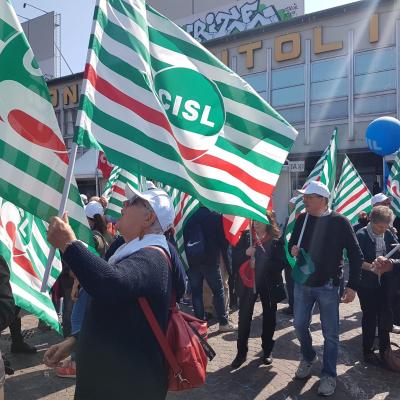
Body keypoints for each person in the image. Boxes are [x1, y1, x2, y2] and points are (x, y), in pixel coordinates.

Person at [45, 186, 185, 400]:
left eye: (132, 203)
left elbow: (111, 284)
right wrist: (75, 340)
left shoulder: (153, 258)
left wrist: (69, 245)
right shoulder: (127, 248)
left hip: (127, 387)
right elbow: (118, 318)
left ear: (148, 218)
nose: (123, 207)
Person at [288, 181, 363, 397]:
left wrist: (352, 286)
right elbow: (293, 243)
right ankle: (308, 356)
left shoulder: (340, 222)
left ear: (322, 199)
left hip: (328, 285)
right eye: (304, 197)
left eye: (309, 197)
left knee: (330, 333)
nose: (305, 201)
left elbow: (356, 255)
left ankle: (329, 375)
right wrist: (293, 249)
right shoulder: (302, 219)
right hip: (303, 283)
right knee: (299, 324)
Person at [231, 212, 286, 369]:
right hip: (248, 282)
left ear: (267, 222)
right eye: (253, 220)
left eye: (259, 221)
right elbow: (234, 258)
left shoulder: (275, 240)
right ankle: (241, 353)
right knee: (244, 317)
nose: (255, 223)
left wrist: (261, 262)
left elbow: (280, 264)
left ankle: (267, 350)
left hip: (268, 284)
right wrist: (245, 253)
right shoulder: (247, 236)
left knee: (269, 317)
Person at [355, 206, 400, 368]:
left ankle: (385, 350)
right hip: (367, 283)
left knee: (385, 314)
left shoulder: (389, 233)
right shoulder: (361, 235)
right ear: (371, 222)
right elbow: (356, 261)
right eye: (379, 227)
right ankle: (367, 350)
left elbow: (395, 253)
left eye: (385, 227)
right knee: (369, 316)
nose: (382, 230)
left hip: (385, 282)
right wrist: (372, 267)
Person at [183, 206, 237, 332]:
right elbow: (223, 241)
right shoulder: (215, 217)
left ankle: (199, 323)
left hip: (193, 261)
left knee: (197, 293)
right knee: (218, 292)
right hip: (210, 261)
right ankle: (223, 323)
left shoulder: (189, 216)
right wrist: (228, 262)